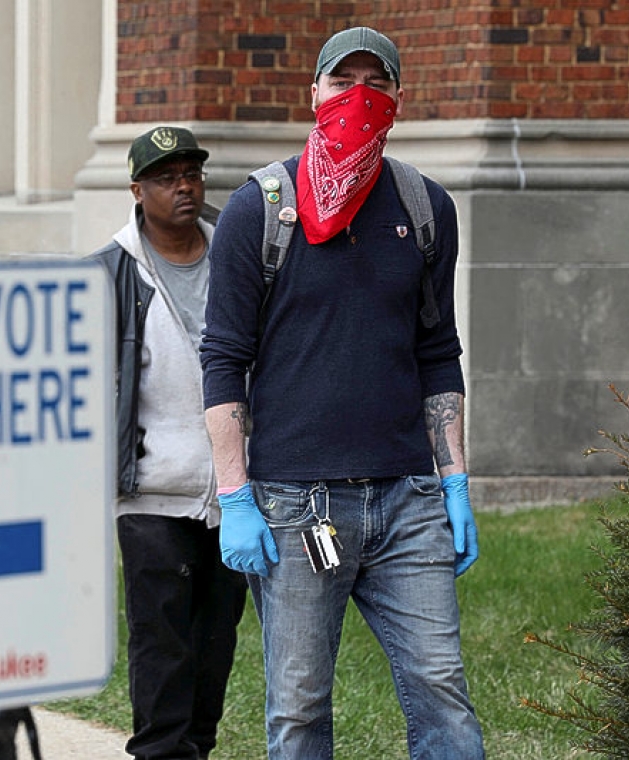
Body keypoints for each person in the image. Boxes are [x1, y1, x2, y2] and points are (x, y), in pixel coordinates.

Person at [200, 27, 484, 759]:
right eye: (342, 80)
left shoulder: (426, 208)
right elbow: (224, 359)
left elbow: (437, 351)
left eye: (375, 82)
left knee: (443, 692)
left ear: (396, 100)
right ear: (315, 93)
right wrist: (234, 497)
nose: (358, 96)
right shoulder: (257, 210)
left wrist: (454, 480)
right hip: (296, 505)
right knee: (297, 711)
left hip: (407, 500)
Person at [91, 126, 247, 760]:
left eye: (191, 173)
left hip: (234, 494)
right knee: (163, 651)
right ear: (137, 190)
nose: (183, 186)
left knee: (215, 649)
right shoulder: (109, 273)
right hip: (152, 496)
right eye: (165, 177)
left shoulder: (237, 258)